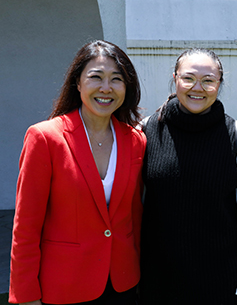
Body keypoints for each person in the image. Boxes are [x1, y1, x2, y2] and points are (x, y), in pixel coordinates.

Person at [9, 40, 146, 305]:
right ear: (78, 83)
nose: (106, 88)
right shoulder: (45, 138)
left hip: (123, 284)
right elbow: (25, 227)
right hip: (64, 287)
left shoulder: (135, 140)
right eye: (96, 77)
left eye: (116, 79)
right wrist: (25, 295)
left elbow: (134, 216)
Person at [139, 48, 237, 304]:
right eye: (188, 78)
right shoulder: (145, 132)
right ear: (175, 78)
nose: (197, 88)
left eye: (208, 80)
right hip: (159, 278)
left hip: (223, 279)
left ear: (219, 84)